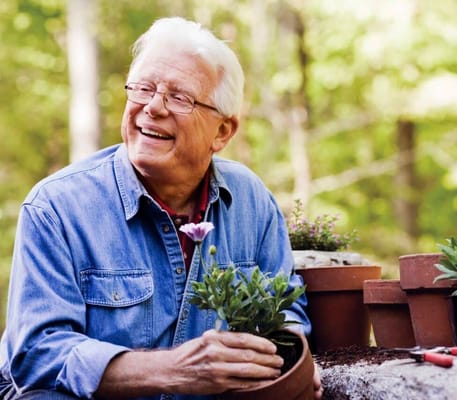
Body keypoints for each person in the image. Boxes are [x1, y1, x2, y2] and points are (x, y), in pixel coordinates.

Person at [0, 16, 322, 400]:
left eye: (179, 97)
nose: (152, 107)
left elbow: (287, 317)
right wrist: (179, 371)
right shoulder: (56, 207)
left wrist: (286, 366)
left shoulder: (253, 202)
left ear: (222, 132)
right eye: (143, 88)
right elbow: (37, 356)